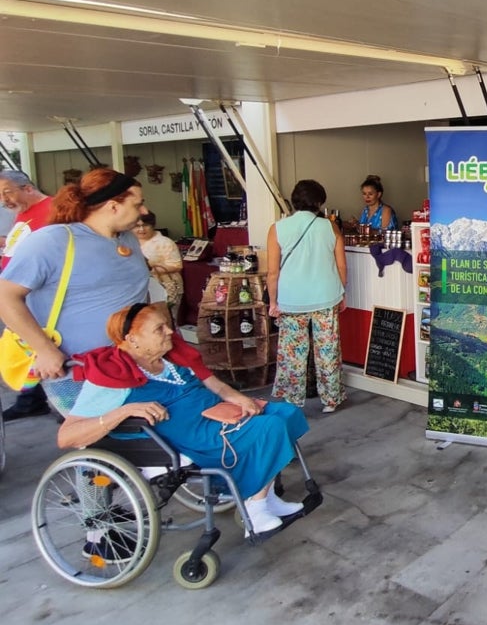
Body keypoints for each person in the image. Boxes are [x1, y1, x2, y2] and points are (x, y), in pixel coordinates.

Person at [59, 303, 308, 536]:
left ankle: (266, 498)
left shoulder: (172, 355)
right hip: (188, 435)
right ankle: (255, 509)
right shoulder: (112, 372)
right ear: (132, 339)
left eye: (166, 325)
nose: (170, 331)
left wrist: (239, 399)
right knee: (269, 428)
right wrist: (124, 411)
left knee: (286, 414)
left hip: (214, 413)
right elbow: (67, 436)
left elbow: (217, 386)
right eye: (159, 329)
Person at [0, 168, 150, 416]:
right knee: (96, 435)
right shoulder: (52, 241)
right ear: (113, 206)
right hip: (80, 373)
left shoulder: (128, 239)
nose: (144, 211)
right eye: (138, 204)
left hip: (133, 363)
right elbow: (5, 296)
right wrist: (44, 350)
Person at [266, 180, 347, 413]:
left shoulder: (277, 228)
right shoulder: (330, 227)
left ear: (294, 201)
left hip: (291, 300)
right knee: (328, 350)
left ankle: (293, 399)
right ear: (319, 202)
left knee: (293, 353)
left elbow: (273, 272)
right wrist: (342, 293)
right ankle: (331, 401)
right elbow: (341, 266)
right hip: (327, 296)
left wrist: (273, 301)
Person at [0, 169, 55, 421]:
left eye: (7, 192)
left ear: (27, 188)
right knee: (25, 349)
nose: (4, 200)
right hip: (17, 293)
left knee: (45, 346)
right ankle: (30, 400)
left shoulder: (52, 210)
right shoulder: (22, 214)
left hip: (39, 293)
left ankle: (67, 405)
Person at [133, 212, 184, 323]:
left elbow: (177, 265)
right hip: (140, 288)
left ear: (153, 225)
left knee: (165, 320)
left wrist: (148, 269)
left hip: (165, 285)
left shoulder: (165, 242)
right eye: (137, 226)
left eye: (145, 225)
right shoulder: (129, 242)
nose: (141, 229)